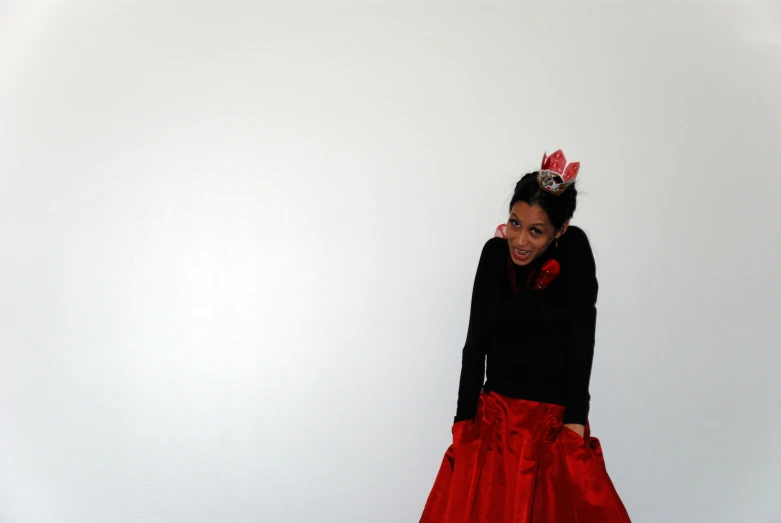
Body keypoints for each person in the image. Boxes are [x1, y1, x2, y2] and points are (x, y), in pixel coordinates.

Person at [420, 150, 631, 523]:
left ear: (560, 230)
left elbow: (583, 339)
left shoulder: (576, 253)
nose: (519, 240)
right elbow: (474, 347)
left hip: (549, 427)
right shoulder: (492, 256)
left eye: (536, 231)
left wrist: (576, 418)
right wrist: (463, 424)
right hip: (495, 426)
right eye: (514, 223)